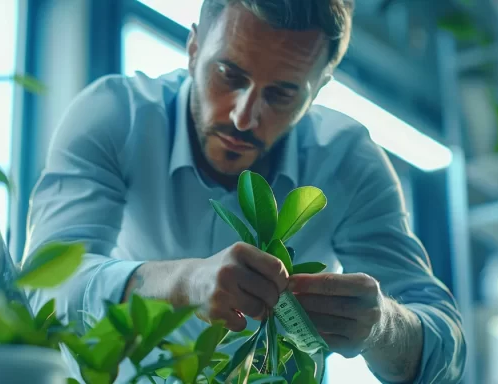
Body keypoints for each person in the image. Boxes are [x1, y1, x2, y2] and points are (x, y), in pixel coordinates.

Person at [23, 0, 466, 382]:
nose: (243, 117)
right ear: (193, 48)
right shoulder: (116, 117)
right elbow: (44, 291)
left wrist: (381, 326)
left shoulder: (349, 162)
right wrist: (183, 283)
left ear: (318, 90)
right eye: (228, 75)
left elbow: (447, 347)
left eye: (282, 94)